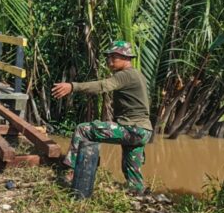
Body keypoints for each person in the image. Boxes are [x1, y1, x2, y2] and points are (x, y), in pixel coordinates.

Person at [51, 40, 153, 193]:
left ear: (127, 58)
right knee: (131, 168)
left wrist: (73, 86)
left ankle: (72, 172)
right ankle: (138, 192)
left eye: (114, 57)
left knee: (83, 130)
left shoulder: (126, 75)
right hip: (143, 131)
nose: (110, 61)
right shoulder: (137, 75)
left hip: (132, 129)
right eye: (108, 57)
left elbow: (102, 86)